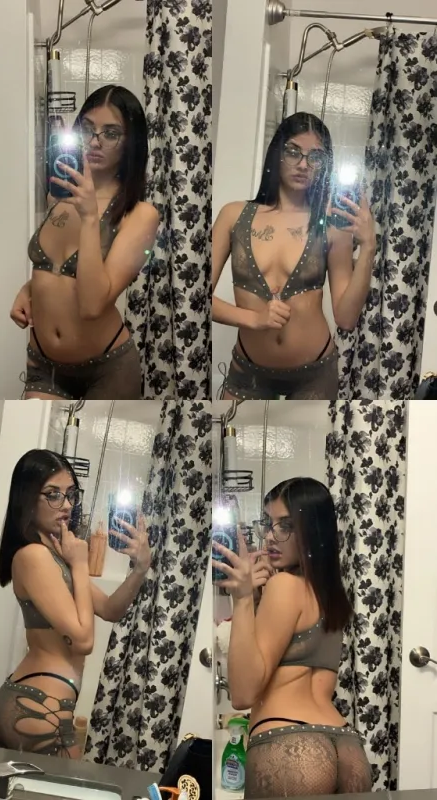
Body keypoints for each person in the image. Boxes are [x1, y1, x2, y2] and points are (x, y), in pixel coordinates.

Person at [212, 477, 372, 797]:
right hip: (347, 746)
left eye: (285, 526)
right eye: (268, 524)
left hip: (289, 743)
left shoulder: (284, 586)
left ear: (313, 531)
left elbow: (242, 694)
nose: (271, 536)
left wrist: (242, 599)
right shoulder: (330, 597)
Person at [0, 449, 151, 758]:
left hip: (32, 699)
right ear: (27, 499)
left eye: (70, 494)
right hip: (42, 705)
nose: (66, 504)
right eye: (53, 495)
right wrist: (80, 563)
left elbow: (110, 609)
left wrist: (140, 568)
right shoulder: (34, 555)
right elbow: (83, 641)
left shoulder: (54, 554)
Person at [10, 84, 160, 400]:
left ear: (130, 143)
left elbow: (92, 305)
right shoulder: (58, 197)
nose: (94, 141)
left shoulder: (140, 215)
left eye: (111, 133)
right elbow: (58, 269)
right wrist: (29, 289)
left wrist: (91, 217)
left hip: (107, 369)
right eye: (88, 129)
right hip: (43, 365)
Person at [212, 112, 376, 400]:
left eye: (315, 157)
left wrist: (369, 247)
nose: (303, 164)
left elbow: (346, 318)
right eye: (293, 152)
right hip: (248, 371)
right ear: (277, 153)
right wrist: (254, 318)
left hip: (315, 375)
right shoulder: (233, 215)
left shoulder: (333, 227)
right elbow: (194, 299)